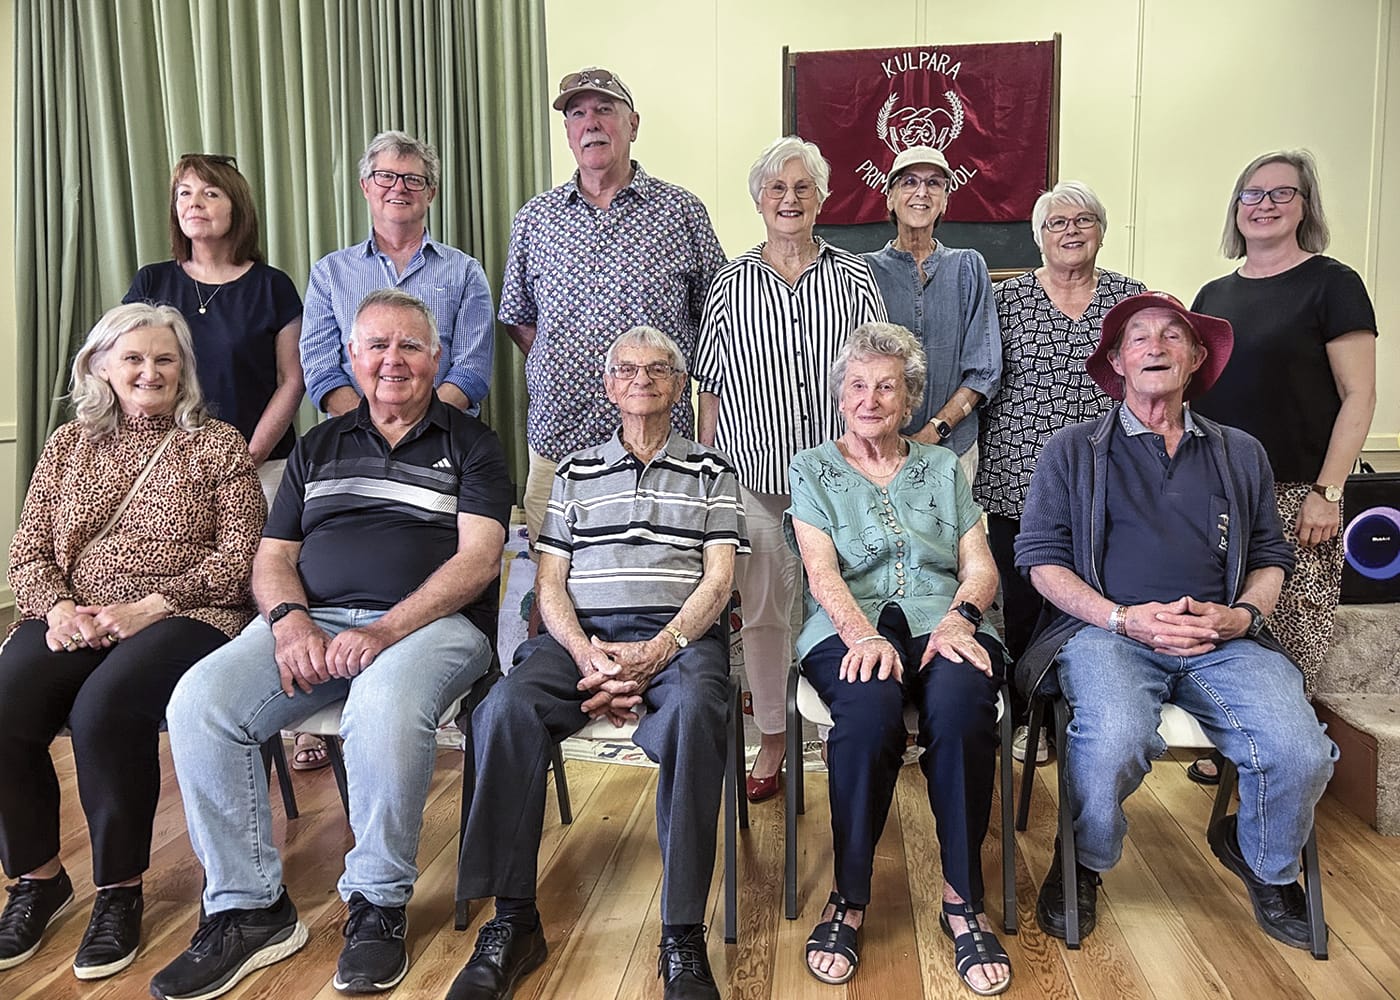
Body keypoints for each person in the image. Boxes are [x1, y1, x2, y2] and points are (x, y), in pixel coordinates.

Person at [150, 290, 511, 1000]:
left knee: (381, 703)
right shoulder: (318, 445)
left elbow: (478, 560)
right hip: (312, 622)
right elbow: (272, 555)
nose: (392, 360)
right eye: (376, 345)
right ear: (351, 357)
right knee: (200, 700)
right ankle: (249, 909)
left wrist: (385, 628)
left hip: (433, 627)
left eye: (410, 345)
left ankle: (377, 904)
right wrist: (290, 622)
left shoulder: (474, 444)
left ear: (437, 357)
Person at [1015, 292, 1337, 952]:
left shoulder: (1241, 452)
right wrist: (1121, 617)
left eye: (1173, 336)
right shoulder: (1072, 450)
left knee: (1300, 751)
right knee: (1113, 740)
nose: (1156, 347)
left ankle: (1266, 863)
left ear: (1195, 359)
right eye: (1139, 337)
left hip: (1221, 639)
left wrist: (1242, 615)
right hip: (1109, 635)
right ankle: (1083, 861)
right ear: (1117, 362)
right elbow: (1040, 560)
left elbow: (1272, 556)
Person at [449, 327, 746, 1000]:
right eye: (628, 370)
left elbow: (719, 580)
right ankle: (513, 920)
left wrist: (659, 649)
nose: (643, 379)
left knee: (697, 711)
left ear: (679, 386)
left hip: (677, 639)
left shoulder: (713, 470)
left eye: (659, 370)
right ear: (609, 386)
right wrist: (587, 653)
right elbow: (549, 583)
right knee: (503, 708)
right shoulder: (574, 472)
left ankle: (681, 935)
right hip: (578, 638)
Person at [0, 303, 263, 981]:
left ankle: (118, 892)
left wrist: (149, 606)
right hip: (78, 615)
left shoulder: (217, 444)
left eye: (165, 359)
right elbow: (28, 553)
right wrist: (60, 609)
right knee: (6, 701)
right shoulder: (68, 445)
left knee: (105, 708)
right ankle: (37, 878)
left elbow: (241, 560)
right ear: (100, 367)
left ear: (184, 370)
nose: (150, 371)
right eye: (134, 359)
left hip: (188, 612)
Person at [787, 322, 1010, 995]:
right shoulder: (811, 468)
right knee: (867, 713)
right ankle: (849, 897)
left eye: (887, 387)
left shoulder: (942, 467)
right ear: (840, 396)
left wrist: (962, 618)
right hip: (847, 624)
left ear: (910, 399)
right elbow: (821, 572)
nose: (870, 399)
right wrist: (863, 636)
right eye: (857, 385)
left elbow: (980, 564)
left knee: (963, 708)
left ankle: (962, 899)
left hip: (946, 618)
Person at [693, 135, 887, 802]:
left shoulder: (856, 279)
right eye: (777, 188)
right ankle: (774, 735)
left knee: (847, 602)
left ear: (822, 198)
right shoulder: (729, 284)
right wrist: (709, 474)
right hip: (757, 478)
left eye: (803, 187)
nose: (790, 199)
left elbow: (877, 375)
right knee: (768, 612)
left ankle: (841, 726)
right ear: (759, 200)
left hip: (840, 481)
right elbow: (709, 386)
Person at [1186, 151, 1377, 783]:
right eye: (1252, 193)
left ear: (1305, 206)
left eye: (1281, 193)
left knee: (1290, 630)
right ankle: (1232, 746)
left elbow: (1359, 395)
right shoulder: (1214, 295)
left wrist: (1329, 490)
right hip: (1217, 490)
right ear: (1236, 207)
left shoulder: (1333, 284)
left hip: (1299, 493)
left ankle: (1283, 764)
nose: (1264, 204)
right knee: (1223, 620)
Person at [500, 66, 726, 544]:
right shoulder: (535, 219)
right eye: (577, 114)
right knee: (554, 574)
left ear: (633, 124)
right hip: (560, 439)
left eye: (605, 110)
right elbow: (518, 318)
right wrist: (563, 364)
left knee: (661, 570)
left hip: (659, 443)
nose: (591, 123)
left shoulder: (681, 211)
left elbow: (717, 315)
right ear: (567, 132)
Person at [973, 181, 1145, 763]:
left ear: (1101, 231)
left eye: (1083, 220)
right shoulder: (1006, 299)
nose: (1071, 231)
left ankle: (1089, 717)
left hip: (1108, 482)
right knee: (1024, 605)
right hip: (1017, 480)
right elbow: (980, 377)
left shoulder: (1129, 299)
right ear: (1038, 236)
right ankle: (1031, 719)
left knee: (1095, 601)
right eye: (1057, 223)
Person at [126, 153, 304, 506]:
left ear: (236, 207)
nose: (194, 203)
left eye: (210, 193)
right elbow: (124, 366)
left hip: (260, 467)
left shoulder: (273, 286)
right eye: (184, 193)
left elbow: (292, 380)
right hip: (165, 467)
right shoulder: (151, 281)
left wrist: (248, 457)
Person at [300, 130, 495, 418]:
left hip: (444, 435)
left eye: (413, 179)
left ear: (431, 193)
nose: (399, 188)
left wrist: (418, 431)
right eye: (385, 176)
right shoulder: (328, 274)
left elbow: (471, 370)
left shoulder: (466, 272)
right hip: (352, 436)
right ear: (365, 186)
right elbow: (321, 369)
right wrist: (372, 431)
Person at [863, 145, 1001, 483]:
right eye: (909, 182)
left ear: (945, 201)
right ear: (890, 197)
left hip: (953, 450)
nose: (922, 192)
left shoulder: (968, 266)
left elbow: (984, 371)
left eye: (934, 183)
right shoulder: (863, 271)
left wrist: (933, 431)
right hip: (879, 452)